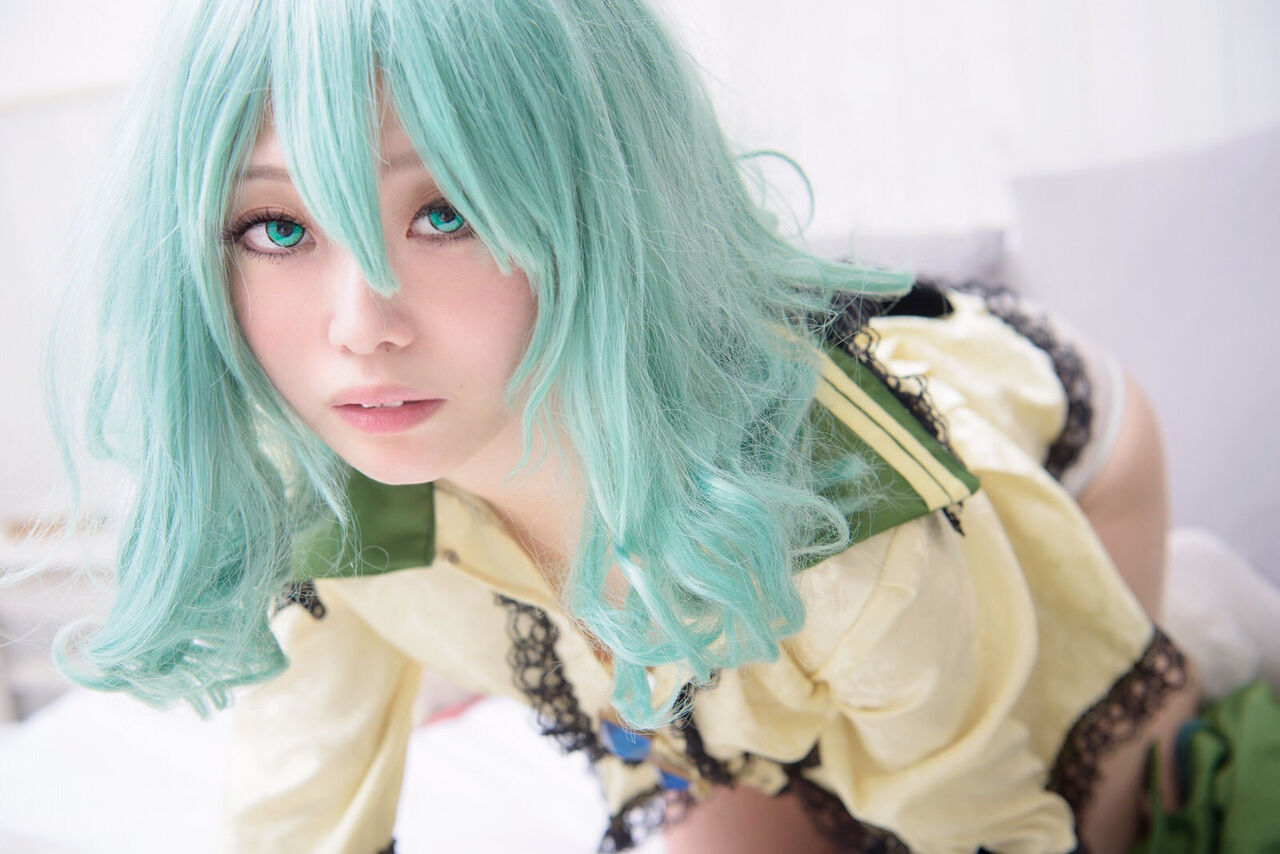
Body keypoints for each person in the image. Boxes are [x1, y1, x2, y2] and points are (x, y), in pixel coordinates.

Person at [47, 1, 1211, 851]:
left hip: (1034, 461)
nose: (359, 330)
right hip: (717, 640)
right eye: (276, 229)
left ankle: (1207, 617)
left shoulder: (839, 512)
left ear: (598, 204)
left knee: (1081, 795)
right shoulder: (319, 482)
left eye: (445, 212)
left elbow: (980, 815)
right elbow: (299, 809)